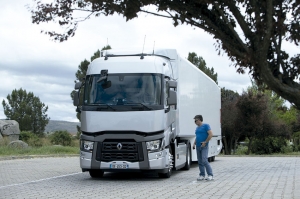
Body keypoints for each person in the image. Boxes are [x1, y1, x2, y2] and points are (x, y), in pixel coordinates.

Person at [192, 115, 214, 181]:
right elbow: (197, 136)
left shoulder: (206, 126)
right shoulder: (197, 128)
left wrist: (205, 142)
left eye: (196, 120)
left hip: (204, 146)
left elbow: (211, 134)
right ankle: (202, 175)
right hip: (198, 146)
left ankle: (210, 175)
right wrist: (194, 143)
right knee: (200, 161)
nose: (195, 122)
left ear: (199, 120)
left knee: (204, 160)